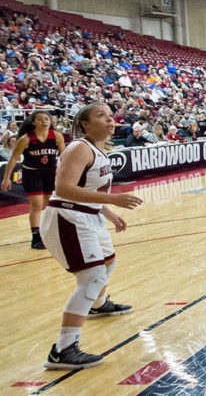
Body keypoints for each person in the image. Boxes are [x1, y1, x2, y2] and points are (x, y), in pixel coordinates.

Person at [40, 103, 143, 369]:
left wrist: (108, 212)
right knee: (92, 276)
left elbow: (87, 188)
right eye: (101, 116)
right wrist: (112, 199)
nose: (110, 120)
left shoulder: (97, 150)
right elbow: (64, 188)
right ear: (84, 123)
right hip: (67, 217)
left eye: (111, 116)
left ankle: (99, 304)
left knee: (109, 262)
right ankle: (63, 350)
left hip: (88, 215)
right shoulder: (79, 148)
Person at [2, 111, 65, 249]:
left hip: (50, 173)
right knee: (36, 204)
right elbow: (13, 159)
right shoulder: (25, 139)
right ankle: (36, 237)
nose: (44, 121)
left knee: (50, 205)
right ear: (33, 122)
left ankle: (50, 232)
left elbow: (64, 156)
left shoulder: (57, 136)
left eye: (47, 119)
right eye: (40, 119)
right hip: (32, 174)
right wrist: (6, 178)